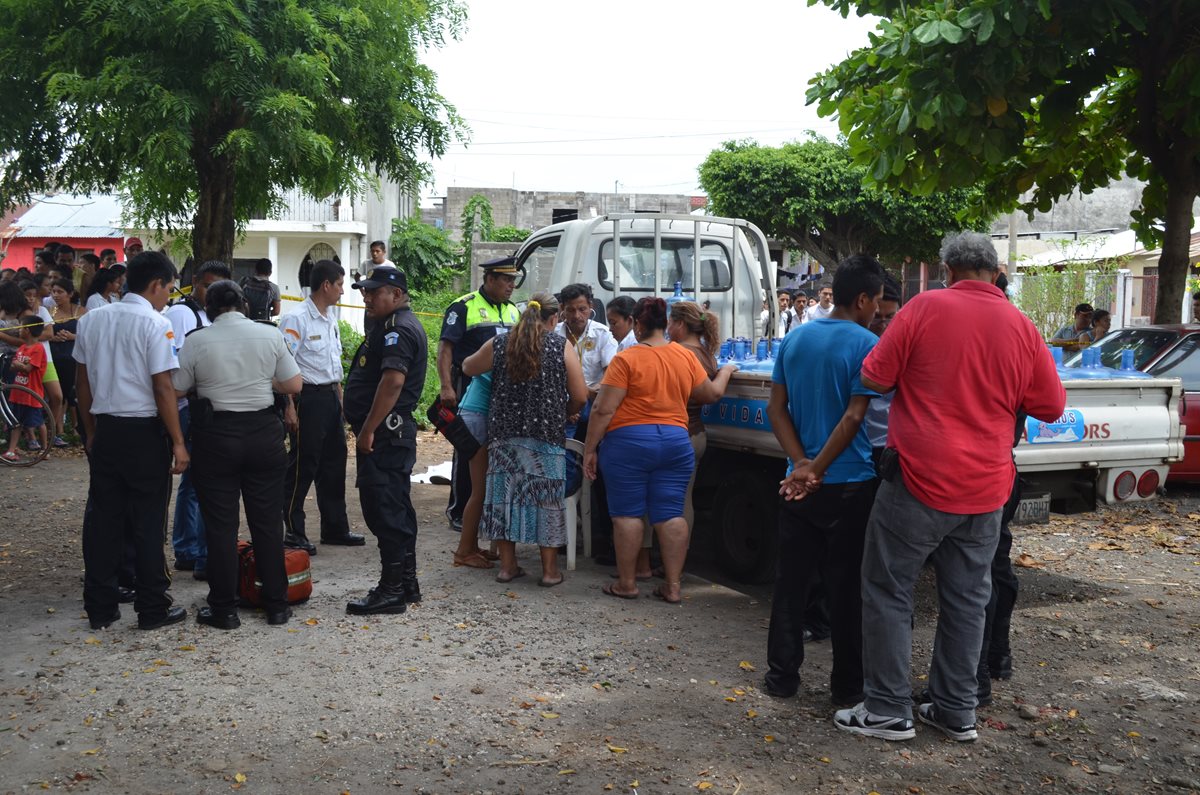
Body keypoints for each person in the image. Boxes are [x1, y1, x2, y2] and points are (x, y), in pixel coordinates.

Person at [836, 232, 1066, 743]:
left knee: (888, 589)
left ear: (947, 270)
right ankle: (956, 710)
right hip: (988, 486)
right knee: (967, 599)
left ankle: (887, 711)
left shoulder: (923, 310)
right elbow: (1050, 406)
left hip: (918, 478)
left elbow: (874, 376)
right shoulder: (1023, 326)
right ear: (995, 270)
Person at [762, 255, 885, 708]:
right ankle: (847, 688)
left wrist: (800, 463)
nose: (877, 310)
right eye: (875, 301)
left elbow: (776, 409)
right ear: (862, 298)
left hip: (796, 485)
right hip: (849, 484)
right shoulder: (866, 344)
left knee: (790, 584)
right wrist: (818, 469)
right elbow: (855, 415)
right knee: (847, 590)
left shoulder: (795, 339)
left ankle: (781, 678)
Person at [584, 297, 736, 603]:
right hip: (676, 442)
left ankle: (627, 583)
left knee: (627, 514)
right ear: (665, 324)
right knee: (670, 513)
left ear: (638, 325)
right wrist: (726, 371)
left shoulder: (627, 359)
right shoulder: (684, 356)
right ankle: (673, 586)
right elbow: (709, 394)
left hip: (629, 443)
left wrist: (589, 449)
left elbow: (602, 409)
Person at [172, 280, 301, 629]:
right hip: (263, 436)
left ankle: (224, 609)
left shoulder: (197, 340)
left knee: (220, 526)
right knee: (268, 523)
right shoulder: (269, 335)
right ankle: (276, 605)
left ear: (210, 308)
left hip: (216, 438)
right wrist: (262, 382)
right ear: (244, 305)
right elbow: (293, 384)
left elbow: (178, 387)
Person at [73, 251, 189, 631]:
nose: (168, 297)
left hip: (106, 430)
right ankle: (152, 607)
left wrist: (90, 432)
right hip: (143, 432)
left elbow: (82, 383)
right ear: (155, 285)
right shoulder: (156, 324)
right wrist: (177, 441)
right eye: (168, 289)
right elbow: (163, 386)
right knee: (147, 520)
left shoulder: (91, 320)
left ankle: (101, 607)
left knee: (103, 520)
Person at [463, 291, 587, 585]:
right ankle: (549, 571)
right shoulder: (561, 346)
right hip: (545, 435)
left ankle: (507, 567)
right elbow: (581, 395)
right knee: (546, 501)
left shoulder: (502, 343)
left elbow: (468, 366)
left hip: (504, 434)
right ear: (554, 318)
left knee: (504, 499)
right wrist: (568, 410)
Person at [342, 267, 428, 615]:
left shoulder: (398, 329)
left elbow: (393, 382)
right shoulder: (392, 326)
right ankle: (405, 582)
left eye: (373, 292)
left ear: (395, 293)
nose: (366, 297)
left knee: (385, 510)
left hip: (385, 435)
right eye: (364, 291)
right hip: (389, 433)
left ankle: (392, 589)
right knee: (394, 507)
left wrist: (367, 430)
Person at [279, 259, 363, 554]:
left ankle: (335, 527)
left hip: (329, 398)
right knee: (303, 464)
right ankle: (292, 528)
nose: (342, 290)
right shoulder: (297, 318)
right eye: (339, 284)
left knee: (334, 464)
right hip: (307, 399)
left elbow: (332, 364)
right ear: (326, 285)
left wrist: (339, 401)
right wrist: (289, 407)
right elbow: (283, 366)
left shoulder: (329, 317)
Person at [437, 257, 521, 531]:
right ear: (490, 279)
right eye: (507, 280)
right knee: (468, 448)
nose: (511, 286)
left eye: (514, 280)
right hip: (467, 387)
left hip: (503, 392)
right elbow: (446, 349)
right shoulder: (464, 307)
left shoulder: (513, 311)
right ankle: (459, 510)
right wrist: (446, 386)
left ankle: (484, 508)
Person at [164, 260, 231, 580]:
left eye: (216, 287)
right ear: (194, 284)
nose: (210, 293)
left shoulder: (215, 316)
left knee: (199, 482)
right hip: (188, 407)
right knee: (194, 482)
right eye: (206, 285)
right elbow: (171, 363)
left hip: (207, 407)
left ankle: (195, 550)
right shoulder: (181, 314)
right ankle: (188, 549)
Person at [2, 316, 48, 462]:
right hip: (18, 393)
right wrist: (19, 365)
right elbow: (13, 366)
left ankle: (45, 448)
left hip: (32, 394)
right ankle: (11, 450)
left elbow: (28, 369)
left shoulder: (38, 348)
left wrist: (19, 365)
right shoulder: (22, 348)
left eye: (21, 328)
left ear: (27, 330)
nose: (19, 330)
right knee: (16, 423)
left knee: (38, 422)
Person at [47, 278, 86, 442]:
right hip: (55, 357)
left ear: (70, 294)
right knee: (58, 394)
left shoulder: (81, 311)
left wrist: (72, 336)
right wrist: (52, 338)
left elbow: (91, 336)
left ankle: (75, 428)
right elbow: (43, 333)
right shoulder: (49, 312)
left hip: (74, 358)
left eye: (60, 292)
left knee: (72, 393)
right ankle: (56, 430)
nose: (56, 295)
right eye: (53, 291)